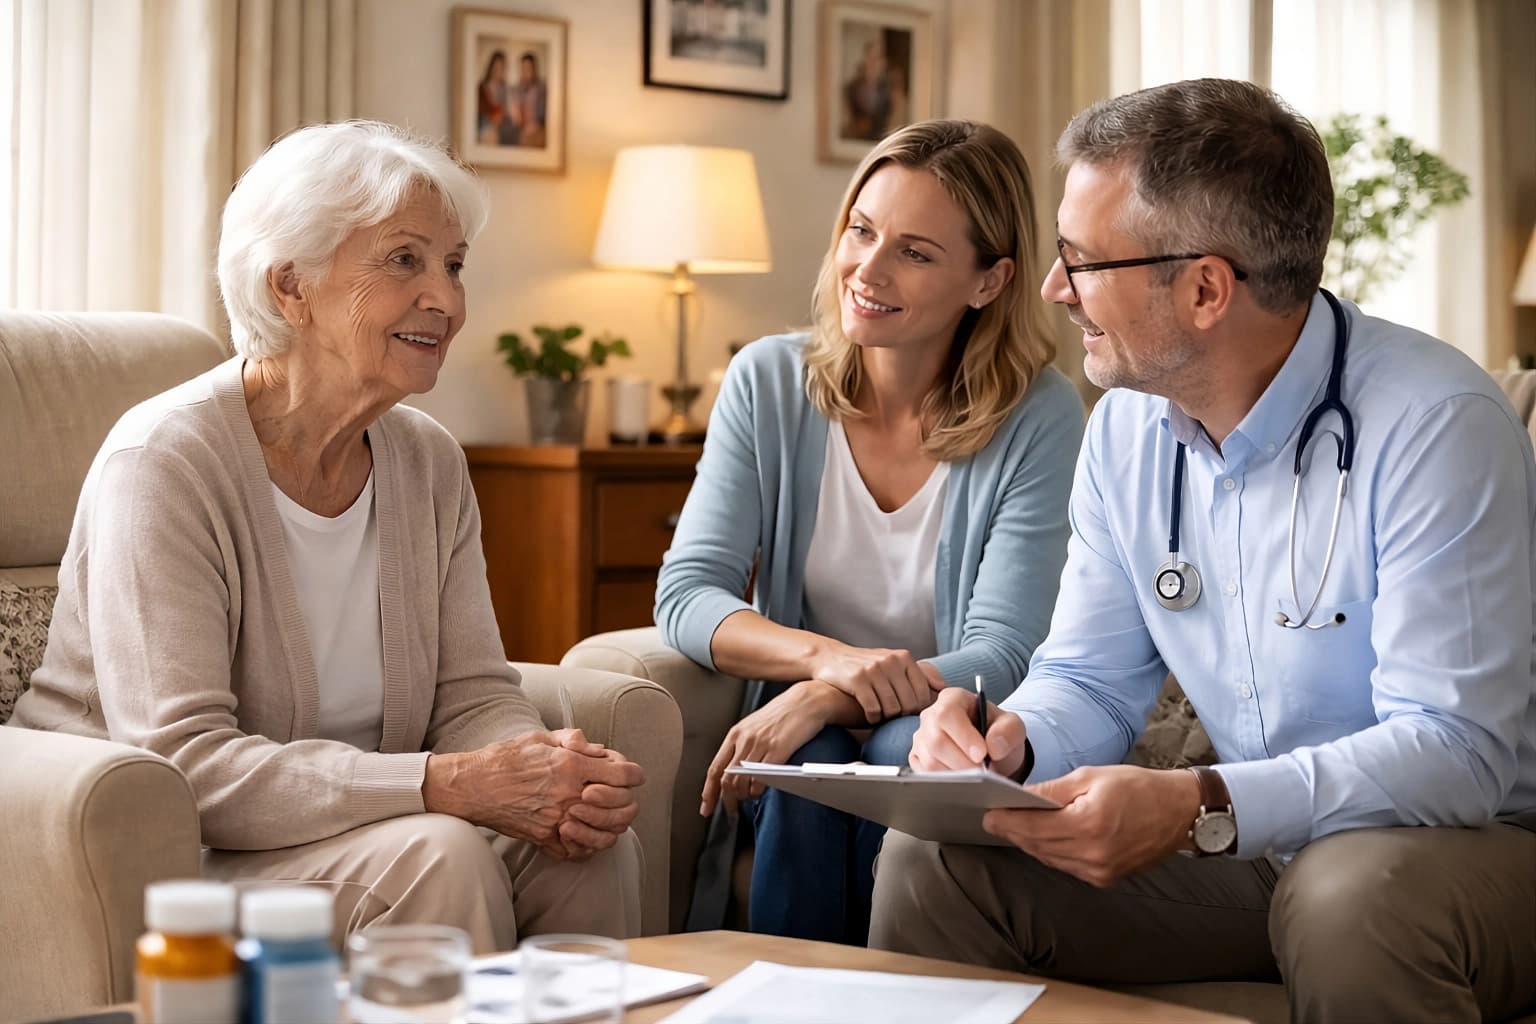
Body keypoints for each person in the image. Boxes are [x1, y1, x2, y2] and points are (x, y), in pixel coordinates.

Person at [870, 79, 1536, 1022]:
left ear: (1205, 288)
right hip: (1260, 845)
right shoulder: (1125, 432)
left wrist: (1197, 804)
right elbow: (1091, 679)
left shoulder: (1436, 426)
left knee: (1345, 896)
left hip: (1477, 842)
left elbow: (1457, 754)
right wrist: (1011, 746)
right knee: (939, 858)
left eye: (1081, 260)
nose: (1055, 288)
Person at [12, 121, 644, 952]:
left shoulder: (427, 461)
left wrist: (535, 777)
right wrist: (448, 785)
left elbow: (473, 694)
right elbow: (186, 764)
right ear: (291, 288)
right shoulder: (163, 463)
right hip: (174, 853)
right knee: (440, 854)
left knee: (587, 849)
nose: (447, 300)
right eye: (404, 260)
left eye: (453, 265)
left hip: (373, 827)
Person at [655, 119, 1085, 944]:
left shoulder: (1040, 413)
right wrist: (824, 660)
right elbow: (687, 595)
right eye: (861, 230)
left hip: (941, 724)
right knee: (809, 767)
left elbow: (1005, 650)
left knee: (895, 742)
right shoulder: (769, 383)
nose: (868, 269)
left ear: (990, 281)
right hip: (802, 736)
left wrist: (825, 695)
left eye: (916, 253)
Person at [508, 52, 548, 149]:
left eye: (528, 68)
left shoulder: (542, 88)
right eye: (523, 68)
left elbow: (544, 115)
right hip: (521, 131)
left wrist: (536, 125)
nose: (525, 72)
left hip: (539, 130)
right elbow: (515, 118)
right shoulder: (516, 89)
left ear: (534, 69)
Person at [477, 50, 516, 146]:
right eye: (495, 67)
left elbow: (511, 113)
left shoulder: (505, 89)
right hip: (485, 126)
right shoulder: (482, 87)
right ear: (490, 67)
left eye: (500, 68)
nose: (497, 71)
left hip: (502, 127)